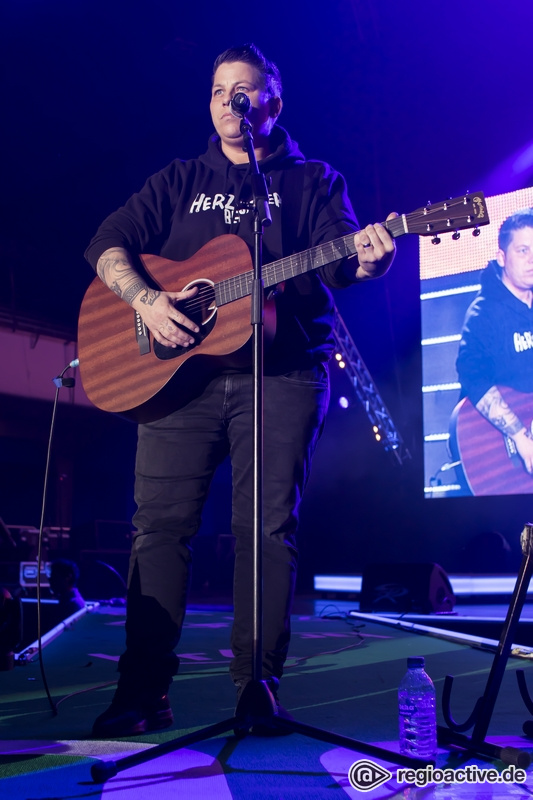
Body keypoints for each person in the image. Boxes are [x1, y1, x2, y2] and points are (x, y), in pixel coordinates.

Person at [84, 43, 396, 738]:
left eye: (245, 92)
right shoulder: (179, 179)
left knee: (264, 530)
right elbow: (108, 243)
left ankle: (257, 686)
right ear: (209, 102)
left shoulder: (312, 180)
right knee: (158, 529)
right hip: (178, 380)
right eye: (221, 91)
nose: (232, 102)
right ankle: (141, 691)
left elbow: (342, 260)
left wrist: (371, 261)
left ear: (272, 105)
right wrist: (145, 301)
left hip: (281, 374)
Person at [456, 208, 533, 475]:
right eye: (523, 251)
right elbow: (473, 377)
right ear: (501, 257)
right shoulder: (482, 314)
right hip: (495, 457)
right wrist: (521, 437)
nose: (532, 260)